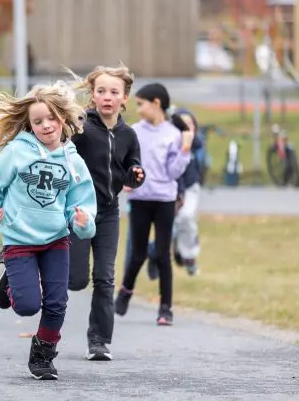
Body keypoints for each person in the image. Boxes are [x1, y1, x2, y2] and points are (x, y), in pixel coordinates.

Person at [0, 82, 97, 380]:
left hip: (57, 239)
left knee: (58, 301)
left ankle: (43, 354)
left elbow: (81, 201)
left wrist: (83, 221)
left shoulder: (74, 161)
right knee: (27, 306)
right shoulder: (16, 152)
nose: (46, 126)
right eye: (38, 121)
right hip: (20, 237)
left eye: (51, 119)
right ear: (30, 125)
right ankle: (12, 281)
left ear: (63, 119)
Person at [68, 65, 145, 361]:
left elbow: (131, 172)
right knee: (75, 280)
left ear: (124, 98)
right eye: (101, 91)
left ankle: (99, 340)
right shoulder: (81, 128)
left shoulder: (128, 135)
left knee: (104, 277)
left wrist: (136, 175)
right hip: (79, 212)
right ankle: (31, 269)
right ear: (93, 96)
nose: (107, 97)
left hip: (109, 212)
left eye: (114, 92)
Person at [115, 83, 192, 326]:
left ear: (156, 103)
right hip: (140, 200)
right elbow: (126, 162)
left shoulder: (173, 133)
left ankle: (165, 308)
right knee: (137, 254)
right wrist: (126, 179)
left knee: (161, 254)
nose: (137, 109)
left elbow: (173, 171)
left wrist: (185, 148)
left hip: (164, 201)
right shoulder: (134, 131)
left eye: (141, 104)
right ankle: (125, 292)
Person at [145, 107, 204, 279]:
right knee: (169, 227)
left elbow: (198, 142)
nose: (187, 126)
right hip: (171, 189)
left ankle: (189, 257)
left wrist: (188, 133)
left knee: (185, 217)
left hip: (191, 188)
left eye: (190, 123)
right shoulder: (168, 145)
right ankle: (154, 253)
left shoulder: (194, 142)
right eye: (182, 124)